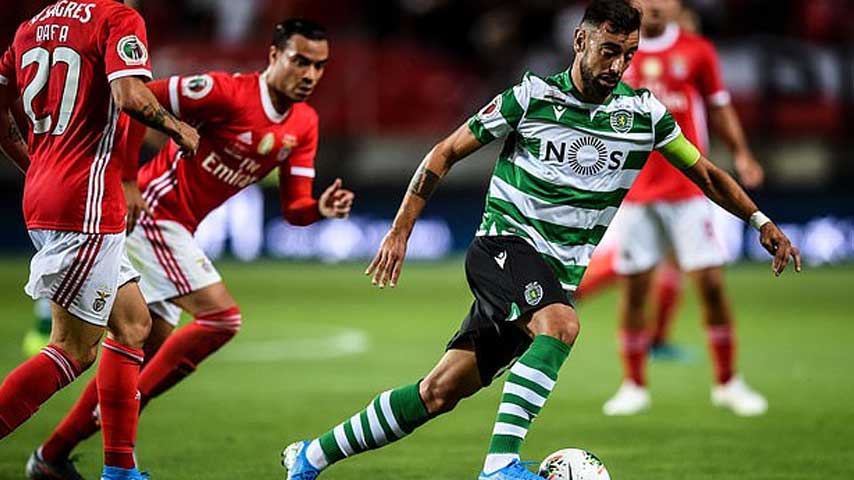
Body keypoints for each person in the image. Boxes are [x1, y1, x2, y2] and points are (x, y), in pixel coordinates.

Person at [279, 1, 800, 479]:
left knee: (438, 392)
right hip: (501, 247)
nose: (617, 66)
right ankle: (500, 466)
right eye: (608, 51)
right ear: (580, 41)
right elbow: (444, 152)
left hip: (552, 274)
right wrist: (399, 230)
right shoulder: (530, 97)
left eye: (628, 55)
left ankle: (310, 456)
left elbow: (706, 173)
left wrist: (761, 223)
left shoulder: (643, 115)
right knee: (562, 325)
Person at [26, 18, 354, 480]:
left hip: (180, 228)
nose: (310, 74)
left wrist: (320, 207)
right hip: (154, 213)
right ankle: (120, 431)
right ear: (273, 56)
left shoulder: (304, 123)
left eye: (319, 66)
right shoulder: (225, 92)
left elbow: (295, 209)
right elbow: (138, 99)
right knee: (221, 318)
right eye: (300, 61)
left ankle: (52, 456)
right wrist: (127, 178)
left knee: (136, 348)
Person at [0, 1, 199, 479]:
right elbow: (130, 95)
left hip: (48, 193)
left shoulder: (30, 28)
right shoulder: (115, 17)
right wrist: (177, 128)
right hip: (87, 202)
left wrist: (42, 170)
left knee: (133, 326)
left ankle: (120, 470)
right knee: (72, 348)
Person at [602, 0, 767, 417]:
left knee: (710, 284)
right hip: (635, 192)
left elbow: (719, 106)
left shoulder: (697, 51)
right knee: (635, 290)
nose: (656, 5)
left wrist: (742, 153)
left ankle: (727, 382)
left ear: (678, 5)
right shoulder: (619, 52)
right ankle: (633, 385)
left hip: (690, 192)